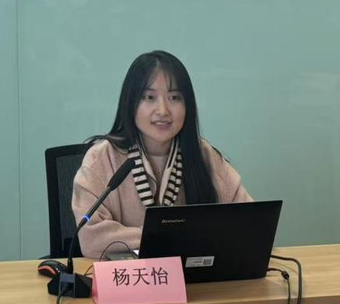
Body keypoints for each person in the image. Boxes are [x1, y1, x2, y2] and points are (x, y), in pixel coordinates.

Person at [71, 50, 252, 259]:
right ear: (130, 103)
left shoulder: (202, 154)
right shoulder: (102, 158)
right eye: (149, 97)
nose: (163, 110)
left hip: (191, 277)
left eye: (174, 97)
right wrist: (174, 235)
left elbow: (249, 222)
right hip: (129, 278)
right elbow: (91, 239)